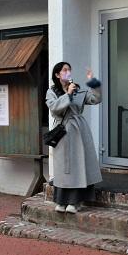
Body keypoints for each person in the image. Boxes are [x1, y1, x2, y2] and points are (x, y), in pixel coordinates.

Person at [45, 62, 102, 214]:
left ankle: (76, 202)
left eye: (69, 69)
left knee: (78, 164)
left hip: (79, 130)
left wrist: (93, 81)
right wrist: (68, 94)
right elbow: (55, 108)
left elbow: (96, 99)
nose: (68, 72)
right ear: (57, 75)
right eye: (65, 70)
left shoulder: (77, 89)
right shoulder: (52, 92)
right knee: (64, 166)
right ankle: (61, 201)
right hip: (63, 131)